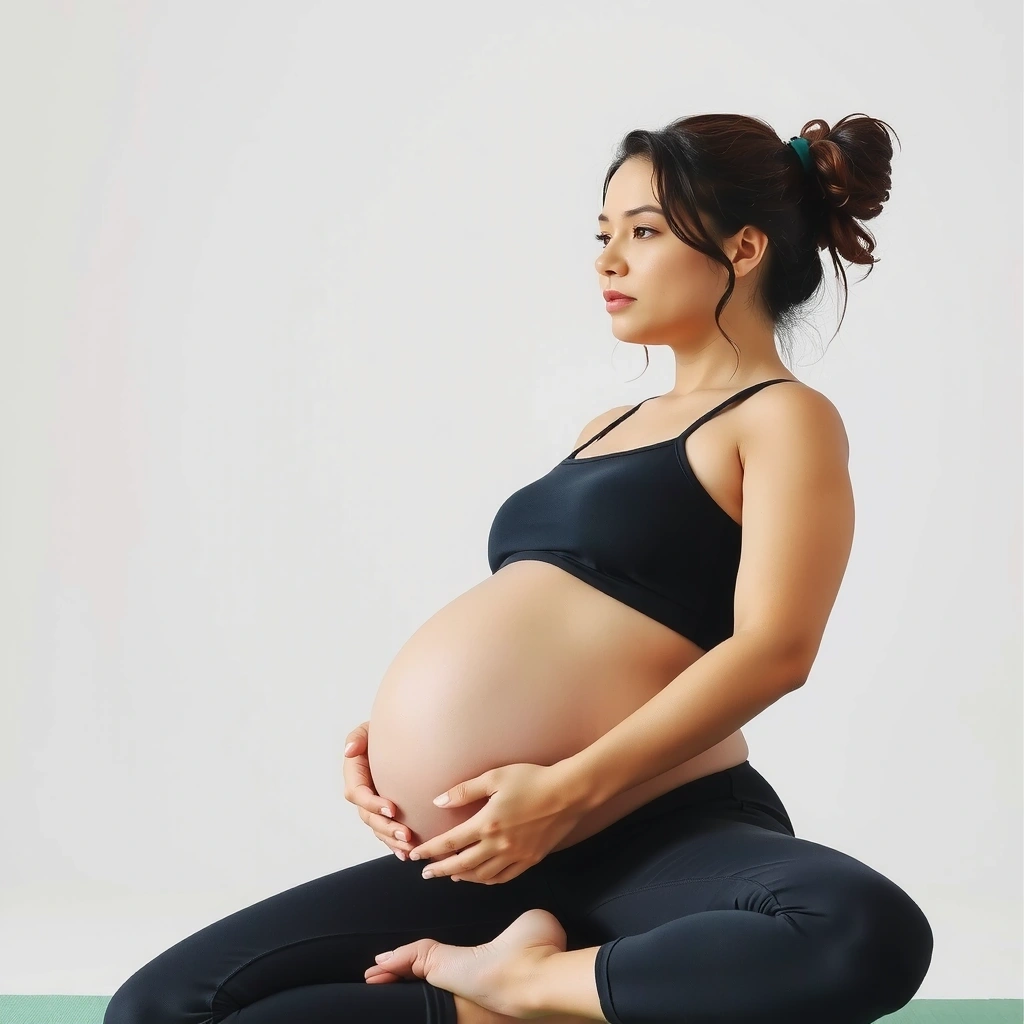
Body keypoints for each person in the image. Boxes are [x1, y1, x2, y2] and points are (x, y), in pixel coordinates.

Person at [103, 112, 933, 1024]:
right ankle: (515, 1003)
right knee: (160, 1010)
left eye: (644, 232)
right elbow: (563, 630)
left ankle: (532, 989)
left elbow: (777, 648)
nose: (608, 260)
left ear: (742, 247)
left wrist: (563, 787)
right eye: (604, 234)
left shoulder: (783, 416)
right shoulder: (602, 430)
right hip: (494, 856)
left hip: (655, 830)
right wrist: (387, 744)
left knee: (857, 927)